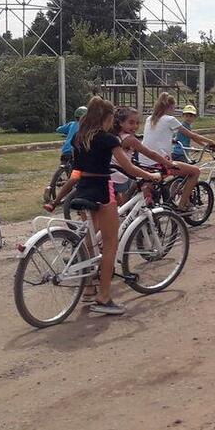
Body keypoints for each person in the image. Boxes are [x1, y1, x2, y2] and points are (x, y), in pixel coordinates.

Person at [70, 97, 161, 315]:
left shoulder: (78, 138)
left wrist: (57, 197)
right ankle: (103, 297)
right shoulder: (108, 139)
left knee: (91, 240)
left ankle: (89, 288)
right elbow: (128, 167)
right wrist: (152, 175)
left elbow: (76, 171)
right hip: (102, 189)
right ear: (109, 118)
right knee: (111, 243)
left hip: (83, 188)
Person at [141, 93, 215, 212]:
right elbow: (192, 135)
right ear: (170, 107)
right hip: (161, 163)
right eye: (174, 108)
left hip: (143, 163)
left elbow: (157, 136)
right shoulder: (170, 119)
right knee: (195, 172)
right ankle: (182, 206)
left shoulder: (149, 119)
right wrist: (211, 141)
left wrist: (171, 140)